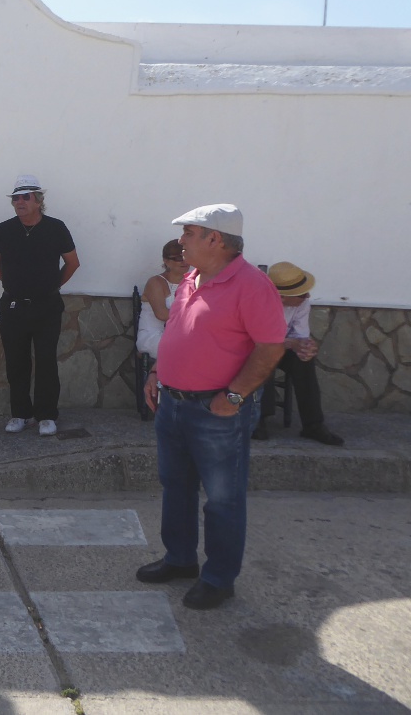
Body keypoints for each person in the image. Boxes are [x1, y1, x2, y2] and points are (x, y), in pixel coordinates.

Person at [141, 204, 286, 610]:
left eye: (189, 233)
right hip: (172, 403)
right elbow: (179, 332)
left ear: (214, 240)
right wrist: (158, 372)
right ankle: (180, 559)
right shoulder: (192, 277)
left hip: (217, 411)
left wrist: (236, 395)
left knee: (222, 498)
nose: (181, 240)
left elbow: (271, 345)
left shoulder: (253, 285)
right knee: (177, 487)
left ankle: (219, 578)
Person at [0, 174, 80, 436]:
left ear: (38, 200)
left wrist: (53, 286)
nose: (20, 202)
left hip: (47, 307)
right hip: (13, 306)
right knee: (16, 362)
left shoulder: (56, 228)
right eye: (16, 198)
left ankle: (47, 416)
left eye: (25, 197)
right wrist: (14, 285)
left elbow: (72, 263)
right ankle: (21, 414)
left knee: (46, 361)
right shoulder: (3, 230)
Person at [254, 261, 345, 446]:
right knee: (267, 356)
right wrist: (288, 343)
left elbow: (300, 335)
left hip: (283, 347)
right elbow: (255, 340)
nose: (307, 295)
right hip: (255, 350)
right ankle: (258, 420)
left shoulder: (301, 304)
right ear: (283, 297)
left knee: (304, 360)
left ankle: (313, 424)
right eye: (302, 293)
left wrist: (306, 346)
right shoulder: (258, 302)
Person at [136, 239, 187, 359]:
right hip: (153, 336)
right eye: (178, 258)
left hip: (179, 335)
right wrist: (192, 317)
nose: (183, 261)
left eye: (186, 256)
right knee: (188, 348)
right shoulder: (155, 282)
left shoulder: (191, 282)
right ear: (166, 261)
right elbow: (162, 314)